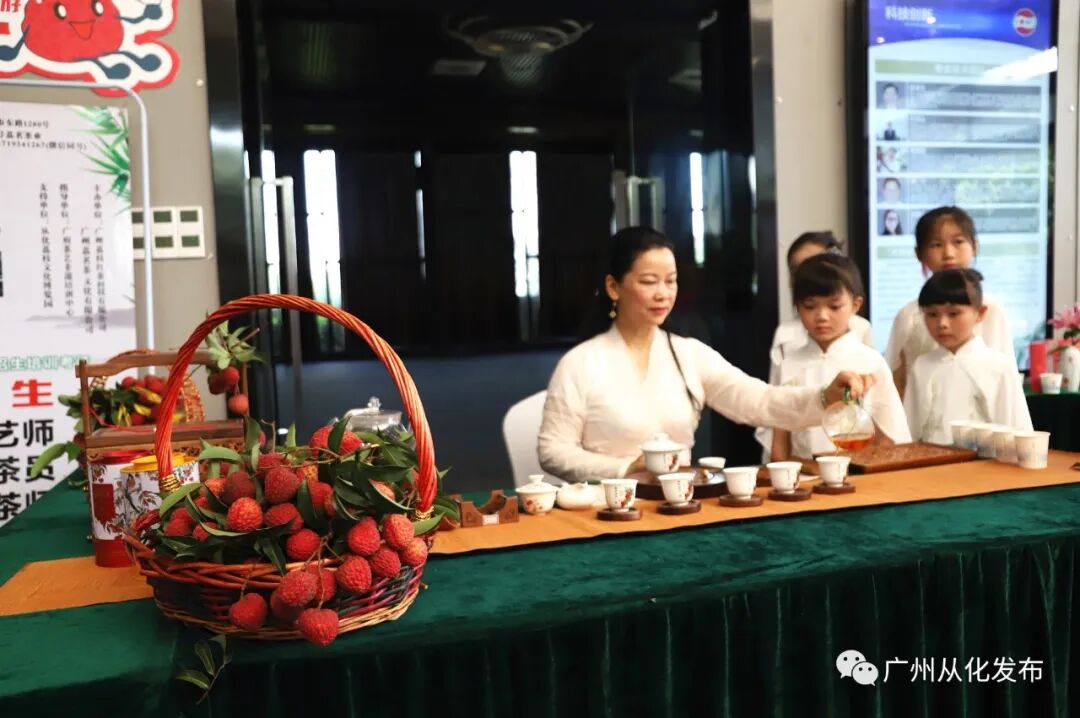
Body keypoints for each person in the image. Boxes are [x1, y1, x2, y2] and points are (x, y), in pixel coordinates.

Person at [536, 227, 876, 483]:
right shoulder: (581, 362)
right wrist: (626, 467)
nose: (663, 294)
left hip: (678, 504)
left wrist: (825, 397)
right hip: (606, 509)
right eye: (650, 281)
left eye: (670, 281)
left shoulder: (689, 354)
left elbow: (761, 402)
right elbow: (553, 451)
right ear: (614, 287)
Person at [758, 254, 910, 461]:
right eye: (810, 306)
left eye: (834, 306)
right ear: (797, 307)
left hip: (859, 473)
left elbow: (889, 435)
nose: (822, 316)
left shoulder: (870, 362)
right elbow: (780, 437)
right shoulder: (788, 364)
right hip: (803, 474)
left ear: (855, 305)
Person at [884, 206, 1015, 398]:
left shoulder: (991, 309)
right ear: (919, 253)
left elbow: (1005, 376)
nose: (948, 253)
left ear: (974, 246)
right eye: (936, 244)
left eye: (958, 242)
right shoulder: (909, 315)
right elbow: (896, 378)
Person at [904, 269, 1032, 444]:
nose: (942, 323)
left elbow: (1018, 431)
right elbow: (909, 431)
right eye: (932, 314)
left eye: (953, 313)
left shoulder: (999, 366)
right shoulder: (921, 366)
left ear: (980, 313)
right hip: (929, 459)